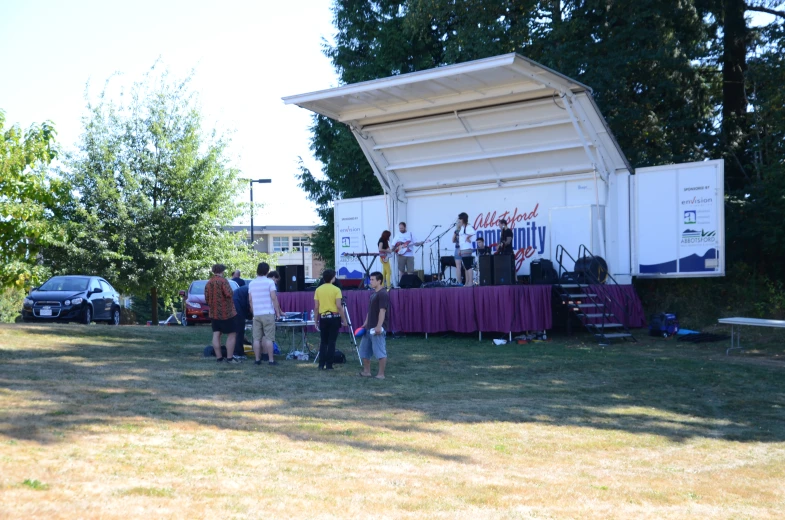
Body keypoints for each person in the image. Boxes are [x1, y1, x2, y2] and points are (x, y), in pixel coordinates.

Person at [249, 262, 283, 366]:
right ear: (267, 271)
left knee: (256, 338)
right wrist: (278, 313)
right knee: (269, 338)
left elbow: (250, 300)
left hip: (257, 314)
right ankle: (271, 360)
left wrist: (254, 312)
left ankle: (257, 359)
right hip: (268, 313)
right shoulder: (270, 282)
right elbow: (273, 298)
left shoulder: (251, 283)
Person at [313, 268, 348, 370]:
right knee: (332, 342)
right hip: (334, 317)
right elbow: (339, 306)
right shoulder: (336, 290)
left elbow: (316, 307)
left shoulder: (318, 290)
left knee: (323, 342)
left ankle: (321, 364)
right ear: (333, 278)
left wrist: (315, 320)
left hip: (323, 317)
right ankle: (329, 365)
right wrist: (344, 319)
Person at [205, 264, 239, 364]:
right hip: (226, 312)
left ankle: (219, 358)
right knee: (231, 334)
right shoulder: (223, 281)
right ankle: (229, 358)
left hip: (214, 313)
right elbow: (229, 294)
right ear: (222, 271)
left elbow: (206, 298)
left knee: (216, 334)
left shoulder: (209, 282)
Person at [358, 271, 389, 379]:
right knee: (364, 351)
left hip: (377, 328)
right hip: (368, 328)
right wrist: (365, 324)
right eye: (370, 279)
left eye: (372, 280)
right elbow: (369, 311)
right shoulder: (373, 294)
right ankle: (367, 372)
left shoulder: (383, 294)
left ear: (379, 281)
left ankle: (381, 374)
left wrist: (379, 326)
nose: (370, 282)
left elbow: (382, 311)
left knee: (380, 352)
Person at [392, 222, 421, 286]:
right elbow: (393, 245)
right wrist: (396, 251)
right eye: (400, 228)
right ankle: (401, 284)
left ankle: (410, 284)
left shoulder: (410, 234)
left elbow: (415, 243)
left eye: (402, 228)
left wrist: (419, 243)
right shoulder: (397, 235)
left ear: (405, 227)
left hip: (410, 255)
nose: (401, 229)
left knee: (410, 271)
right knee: (401, 270)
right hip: (401, 256)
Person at [457, 212, 477, 287]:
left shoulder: (468, 227)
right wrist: (459, 249)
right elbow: (461, 240)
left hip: (467, 248)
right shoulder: (462, 227)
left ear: (463, 219)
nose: (459, 220)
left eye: (460, 219)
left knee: (468, 266)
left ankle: (470, 282)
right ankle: (467, 282)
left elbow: (474, 234)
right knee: (465, 266)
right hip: (463, 248)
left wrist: (468, 238)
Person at [232, 282, 252, 355]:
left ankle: (236, 350)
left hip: (234, 307)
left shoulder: (246, 288)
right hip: (237, 308)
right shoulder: (250, 290)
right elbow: (249, 304)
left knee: (236, 331)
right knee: (239, 331)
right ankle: (238, 352)